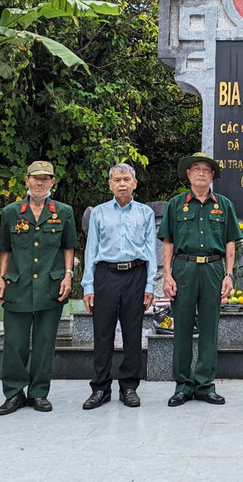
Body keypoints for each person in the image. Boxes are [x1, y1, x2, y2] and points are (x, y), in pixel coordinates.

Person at [159, 152, 242, 406]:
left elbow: (230, 243)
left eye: (206, 170)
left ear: (212, 175)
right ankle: (183, 384)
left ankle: (205, 384)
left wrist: (229, 275)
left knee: (209, 328)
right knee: (182, 326)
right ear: (188, 174)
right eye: (196, 169)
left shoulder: (224, 205)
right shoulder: (176, 204)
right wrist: (167, 275)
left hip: (213, 270)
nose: (201, 173)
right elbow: (168, 242)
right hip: (184, 268)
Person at [0, 160, 77, 415]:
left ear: (53, 182)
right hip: (18, 284)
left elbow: (68, 247)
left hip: (50, 285)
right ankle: (14, 393)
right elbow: (5, 249)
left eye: (45, 178)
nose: (40, 182)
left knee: (44, 342)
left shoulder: (63, 212)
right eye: (35, 178)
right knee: (15, 343)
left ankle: (39, 393)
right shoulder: (11, 212)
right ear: (27, 180)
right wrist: (1, 278)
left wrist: (68, 276)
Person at [81, 164, 157, 409]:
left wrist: (150, 284)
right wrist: (88, 285)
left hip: (136, 274)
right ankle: (100, 388)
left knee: (133, 333)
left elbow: (150, 251)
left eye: (126, 179)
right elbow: (90, 249)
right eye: (117, 179)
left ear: (135, 183)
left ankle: (129, 387)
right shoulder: (100, 213)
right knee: (102, 333)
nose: (122, 183)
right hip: (106, 275)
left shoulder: (145, 213)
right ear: (110, 184)